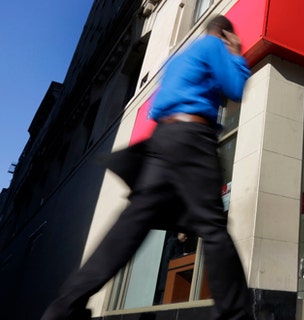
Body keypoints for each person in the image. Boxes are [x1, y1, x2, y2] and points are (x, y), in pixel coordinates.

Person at [41, 15, 253, 320]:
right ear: (223, 33)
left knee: (131, 224)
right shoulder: (214, 46)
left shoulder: (180, 59)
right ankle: (236, 315)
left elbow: (156, 106)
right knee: (213, 226)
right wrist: (235, 53)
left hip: (161, 141)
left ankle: (64, 306)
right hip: (192, 137)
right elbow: (235, 88)